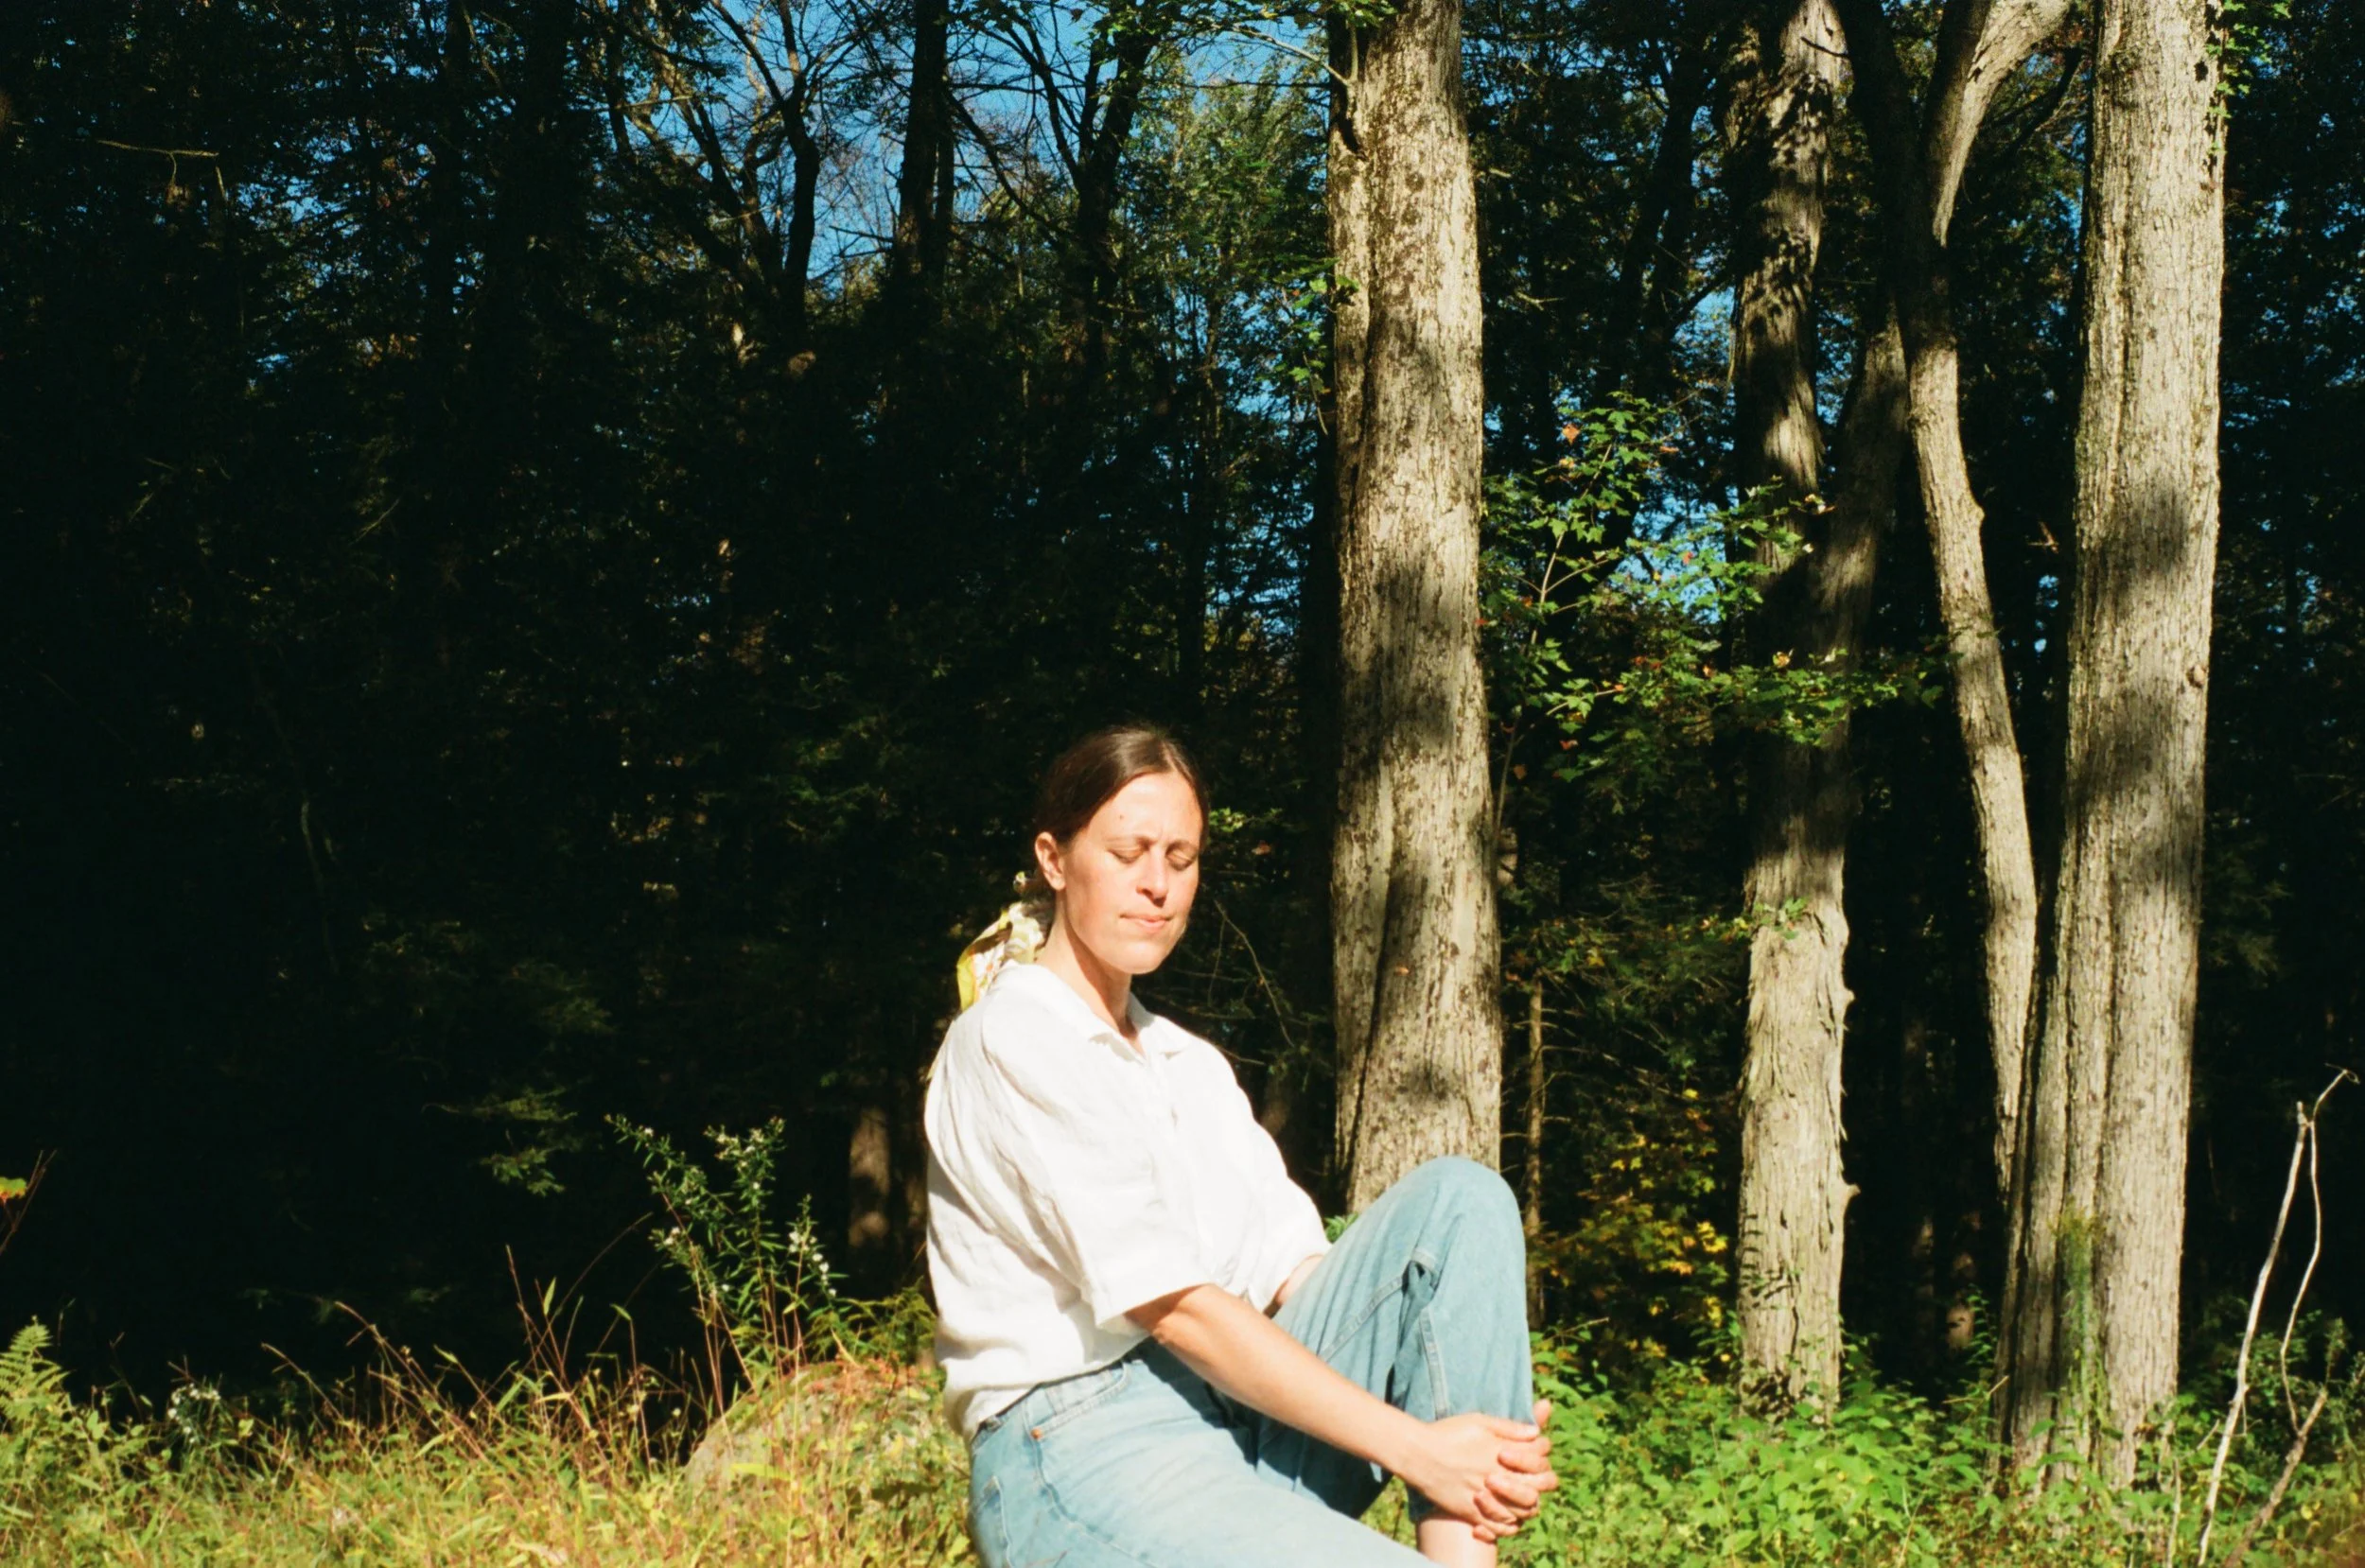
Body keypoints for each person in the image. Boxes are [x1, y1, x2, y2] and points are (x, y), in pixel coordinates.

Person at [923, 723, 1557, 1567]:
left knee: (1461, 1202)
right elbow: (1175, 1306)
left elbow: (1301, 1280)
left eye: (1180, 858)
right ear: (1054, 858)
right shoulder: (1014, 1037)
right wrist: (1416, 1445)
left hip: (1230, 1421)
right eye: (1128, 851)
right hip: (1078, 1444)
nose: (1156, 884)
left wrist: (1470, 1423)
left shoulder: (1192, 1066)